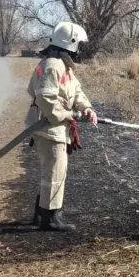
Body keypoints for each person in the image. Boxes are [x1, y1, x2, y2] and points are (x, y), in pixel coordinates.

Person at [26, 21, 98, 231]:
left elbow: (76, 91)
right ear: (71, 42)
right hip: (48, 128)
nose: (80, 49)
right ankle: (49, 218)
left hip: (56, 127)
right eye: (79, 44)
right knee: (55, 171)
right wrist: (70, 114)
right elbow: (46, 100)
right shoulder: (52, 65)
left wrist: (86, 108)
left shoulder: (63, 65)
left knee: (53, 171)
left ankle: (42, 213)